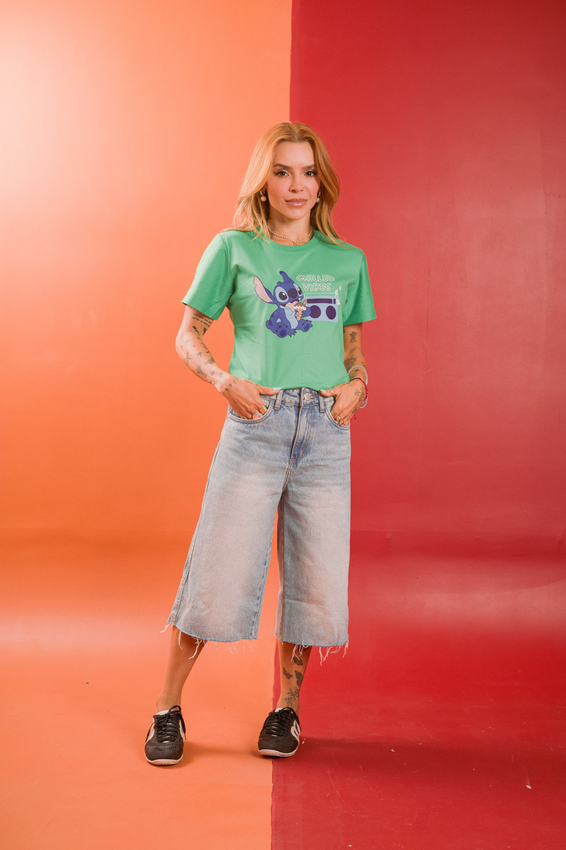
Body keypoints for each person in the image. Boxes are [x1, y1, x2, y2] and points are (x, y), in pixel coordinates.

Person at [144, 122, 376, 765]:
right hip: (257, 424)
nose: (297, 185)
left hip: (325, 434)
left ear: (321, 183)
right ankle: (166, 709)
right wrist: (224, 381)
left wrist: (359, 386)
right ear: (263, 183)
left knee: (314, 580)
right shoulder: (233, 249)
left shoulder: (347, 260)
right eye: (282, 172)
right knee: (217, 570)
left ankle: (287, 710)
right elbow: (186, 335)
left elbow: (353, 350)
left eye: (308, 172)